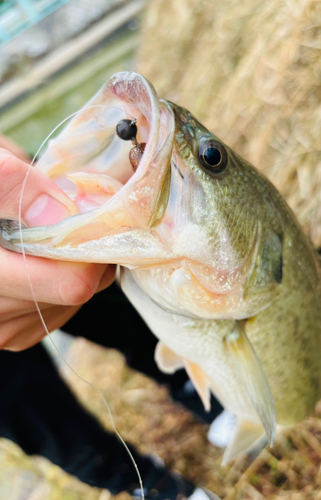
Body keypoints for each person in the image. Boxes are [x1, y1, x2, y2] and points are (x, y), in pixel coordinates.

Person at [0, 143, 223, 499]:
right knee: (36, 417)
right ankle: (148, 486)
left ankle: (205, 391)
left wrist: (15, 160)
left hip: (27, 208)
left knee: (113, 305)